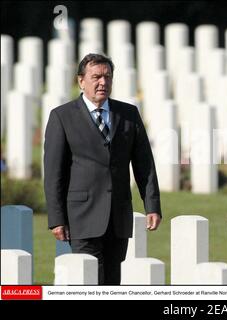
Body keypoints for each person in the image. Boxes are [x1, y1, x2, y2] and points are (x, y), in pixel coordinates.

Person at [44, 53, 162, 285]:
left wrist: (152, 205)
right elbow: (54, 173)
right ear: (81, 81)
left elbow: (144, 164)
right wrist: (57, 218)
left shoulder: (128, 114)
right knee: (90, 283)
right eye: (96, 76)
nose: (103, 82)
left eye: (107, 77)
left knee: (112, 284)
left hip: (118, 217)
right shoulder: (62, 117)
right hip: (81, 217)